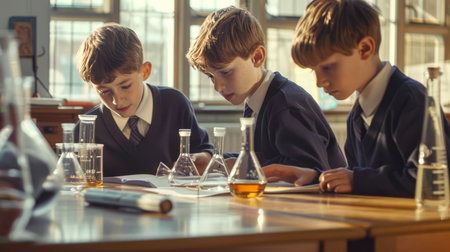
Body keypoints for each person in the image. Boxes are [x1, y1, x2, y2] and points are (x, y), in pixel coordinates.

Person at [266, 0, 450, 197]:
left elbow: (435, 182)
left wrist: (356, 180)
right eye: (314, 70)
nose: (319, 82)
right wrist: (316, 178)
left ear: (365, 49)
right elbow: (359, 181)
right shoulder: (356, 117)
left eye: (328, 67)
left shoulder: (412, 101)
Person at [186, 6, 346, 180]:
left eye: (225, 72)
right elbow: (267, 156)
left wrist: (238, 165)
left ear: (257, 57)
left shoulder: (286, 105)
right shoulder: (256, 100)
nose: (217, 87)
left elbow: (308, 169)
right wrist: (214, 160)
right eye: (211, 76)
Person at [74, 23, 212, 176]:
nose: (117, 101)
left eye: (125, 86)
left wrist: (202, 159)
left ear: (145, 71)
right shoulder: (86, 128)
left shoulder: (174, 105)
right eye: (104, 91)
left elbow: (204, 152)